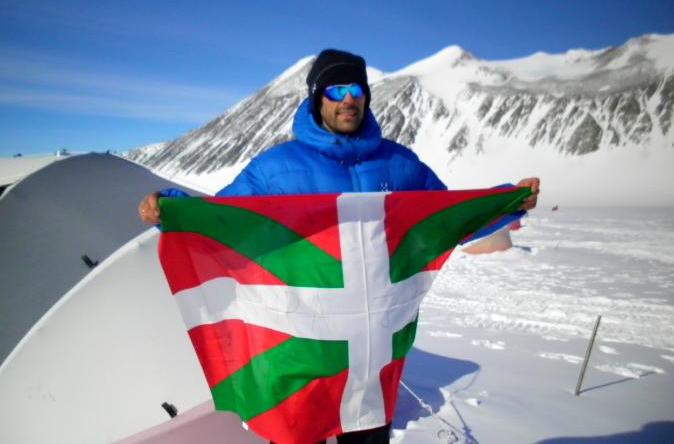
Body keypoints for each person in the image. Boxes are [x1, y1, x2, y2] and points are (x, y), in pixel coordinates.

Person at [139, 49, 540, 443]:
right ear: (317, 97)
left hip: (372, 356)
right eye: (335, 89)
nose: (348, 98)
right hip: (301, 346)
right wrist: (172, 209)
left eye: (356, 89)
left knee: (366, 434)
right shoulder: (275, 168)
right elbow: (224, 219)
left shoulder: (401, 164)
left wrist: (506, 202)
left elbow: (447, 220)